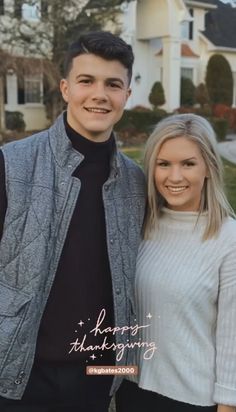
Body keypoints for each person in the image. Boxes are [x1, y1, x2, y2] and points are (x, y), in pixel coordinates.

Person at [0, 31, 146, 411]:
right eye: (86, 81)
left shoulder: (138, 183)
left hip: (96, 379)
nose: (99, 94)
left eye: (113, 84)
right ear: (65, 88)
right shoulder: (10, 165)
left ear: (126, 96)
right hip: (17, 376)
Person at [116, 114, 236, 412]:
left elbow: (231, 338)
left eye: (188, 164)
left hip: (191, 400)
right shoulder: (139, 227)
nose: (175, 177)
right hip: (132, 391)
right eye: (164, 164)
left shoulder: (228, 239)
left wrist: (228, 405)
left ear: (208, 166)